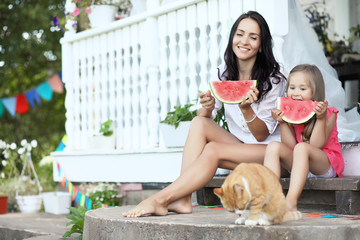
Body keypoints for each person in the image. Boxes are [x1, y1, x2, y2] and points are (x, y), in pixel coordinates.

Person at [123, 10, 286, 218]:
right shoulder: (224, 71)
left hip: (269, 154)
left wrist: (247, 110)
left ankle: (160, 199)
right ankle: (182, 199)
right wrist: (207, 106)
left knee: (213, 150)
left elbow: (262, 135)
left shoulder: (273, 81)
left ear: (261, 45)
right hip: (240, 148)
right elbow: (205, 116)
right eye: (240, 34)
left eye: (253, 37)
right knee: (199, 122)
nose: (244, 41)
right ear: (232, 37)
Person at [263, 64, 344, 216]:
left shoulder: (329, 113)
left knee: (303, 147)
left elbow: (316, 145)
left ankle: (291, 202)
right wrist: (283, 122)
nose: (295, 93)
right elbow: (290, 146)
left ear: (315, 91)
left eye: (302, 88)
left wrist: (320, 119)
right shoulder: (291, 111)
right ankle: (271, 198)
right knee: (273, 146)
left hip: (324, 165)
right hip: (301, 164)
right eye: (292, 88)